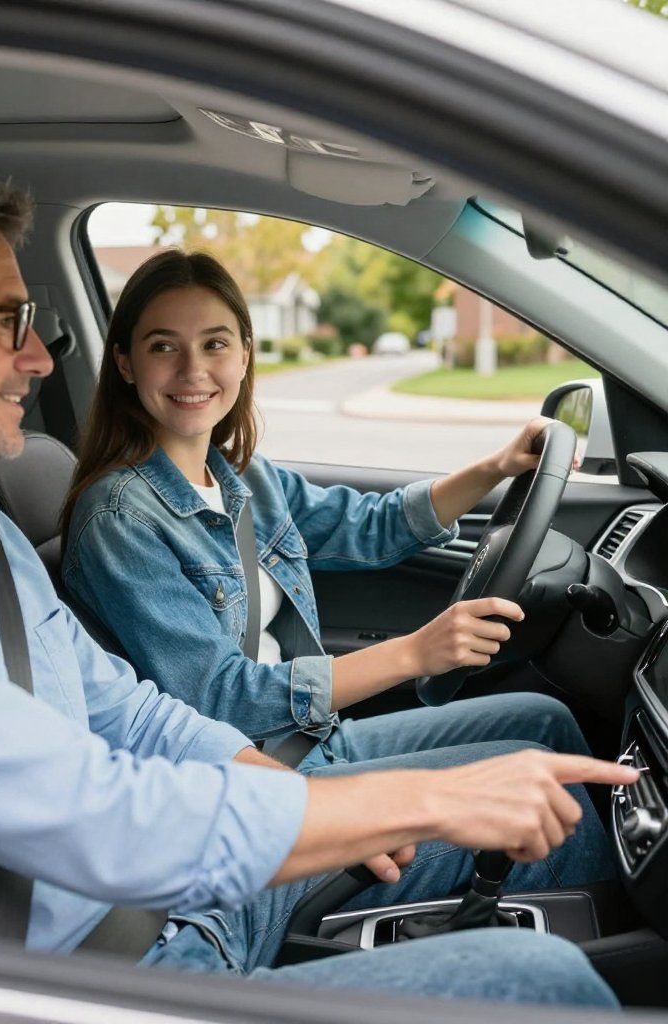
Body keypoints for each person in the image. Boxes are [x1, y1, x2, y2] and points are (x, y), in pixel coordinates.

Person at [0, 166, 635, 1009]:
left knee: (541, 789)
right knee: (541, 980)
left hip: (187, 905)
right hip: (101, 977)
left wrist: (314, 797)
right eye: (12, 325)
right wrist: (415, 801)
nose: (36, 360)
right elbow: (93, 814)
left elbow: (138, 716)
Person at [60, 248, 617, 905]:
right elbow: (215, 697)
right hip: (247, 787)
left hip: (315, 742)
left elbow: (372, 526)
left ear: (244, 354)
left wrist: (495, 467)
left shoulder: (245, 481)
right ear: (124, 362)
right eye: (163, 347)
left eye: (215, 344)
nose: (193, 370)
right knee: (559, 811)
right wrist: (414, 653)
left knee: (543, 720)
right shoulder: (119, 518)